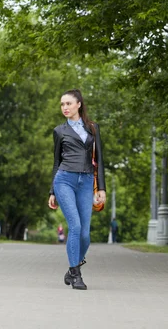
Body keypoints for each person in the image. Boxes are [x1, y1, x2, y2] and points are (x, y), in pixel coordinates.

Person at [48, 89, 106, 290]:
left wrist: (102, 188)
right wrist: (52, 191)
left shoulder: (93, 128)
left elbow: (99, 160)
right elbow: (56, 162)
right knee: (75, 227)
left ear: (79, 104)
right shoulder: (59, 131)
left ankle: (72, 268)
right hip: (64, 180)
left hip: (87, 181)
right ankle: (76, 274)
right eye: (62, 104)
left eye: (68, 104)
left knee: (85, 235)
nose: (65, 107)